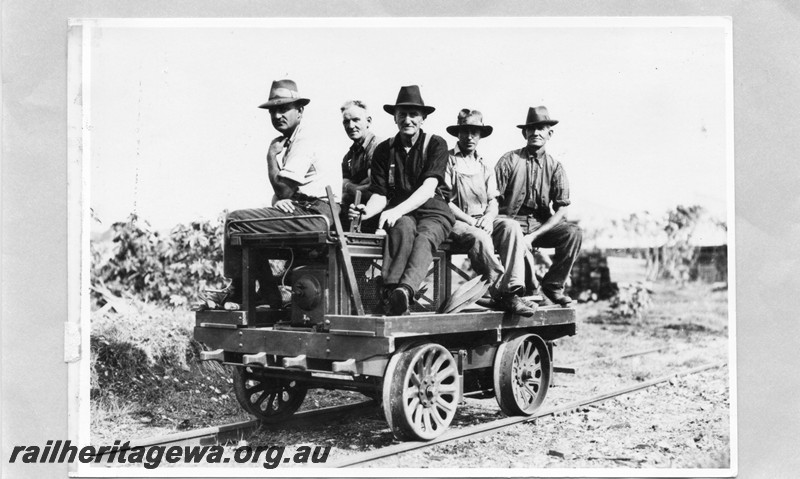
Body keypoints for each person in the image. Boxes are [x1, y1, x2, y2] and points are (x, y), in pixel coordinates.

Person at [205, 79, 337, 309]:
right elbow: (284, 194)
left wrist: (270, 157)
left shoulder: (305, 138)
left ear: (300, 111)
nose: (277, 115)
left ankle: (238, 291)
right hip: (309, 211)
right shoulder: (295, 139)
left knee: (235, 220)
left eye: (284, 109)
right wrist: (282, 199)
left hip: (316, 215)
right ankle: (268, 294)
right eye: (273, 110)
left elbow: (284, 189)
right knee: (251, 233)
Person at [349, 85, 455, 315]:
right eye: (402, 114)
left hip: (433, 212)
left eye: (413, 114)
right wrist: (365, 212)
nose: (408, 119)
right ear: (395, 118)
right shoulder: (384, 150)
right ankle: (391, 291)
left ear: (423, 118)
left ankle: (405, 291)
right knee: (402, 226)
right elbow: (380, 194)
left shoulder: (436, 144)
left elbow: (429, 189)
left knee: (425, 236)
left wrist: (395, 211)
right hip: (402, 212)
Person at [444, 109, 537, 316]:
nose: (469, 137)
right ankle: (503, 295)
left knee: (511, 227)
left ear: (480, 136)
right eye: (465, 132)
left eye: (474, 133)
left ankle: (513, 289)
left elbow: (493, 200)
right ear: (458, 134)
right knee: (479, 237)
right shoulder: (448, 161)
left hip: (482, 219)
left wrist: (488, 217)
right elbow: (445, 202)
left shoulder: (484, 164)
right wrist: (471, 220)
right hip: (457, 222)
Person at [495, 106, 582, 306]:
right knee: (527, 287)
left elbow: (562, 208)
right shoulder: (509, 160)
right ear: (524, 132)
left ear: (549, 133)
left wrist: (533, 236)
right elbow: (493, 199)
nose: (535, 133)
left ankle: (553, 285)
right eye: (531, 128)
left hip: (538, 226)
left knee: (573, 233)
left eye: (541, 128)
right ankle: (521, 290)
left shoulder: (555, 167)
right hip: (509, 222)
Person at [340, 100, 381, 232]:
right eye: (346, 122)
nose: (351, 126)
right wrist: (353, 186)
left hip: (376, 212)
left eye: (356, 120)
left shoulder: (378, 147)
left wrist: (349, 186)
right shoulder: (349, 155)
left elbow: (372, 186)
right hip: (356, 211)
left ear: (368, 121)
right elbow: (341, 184)